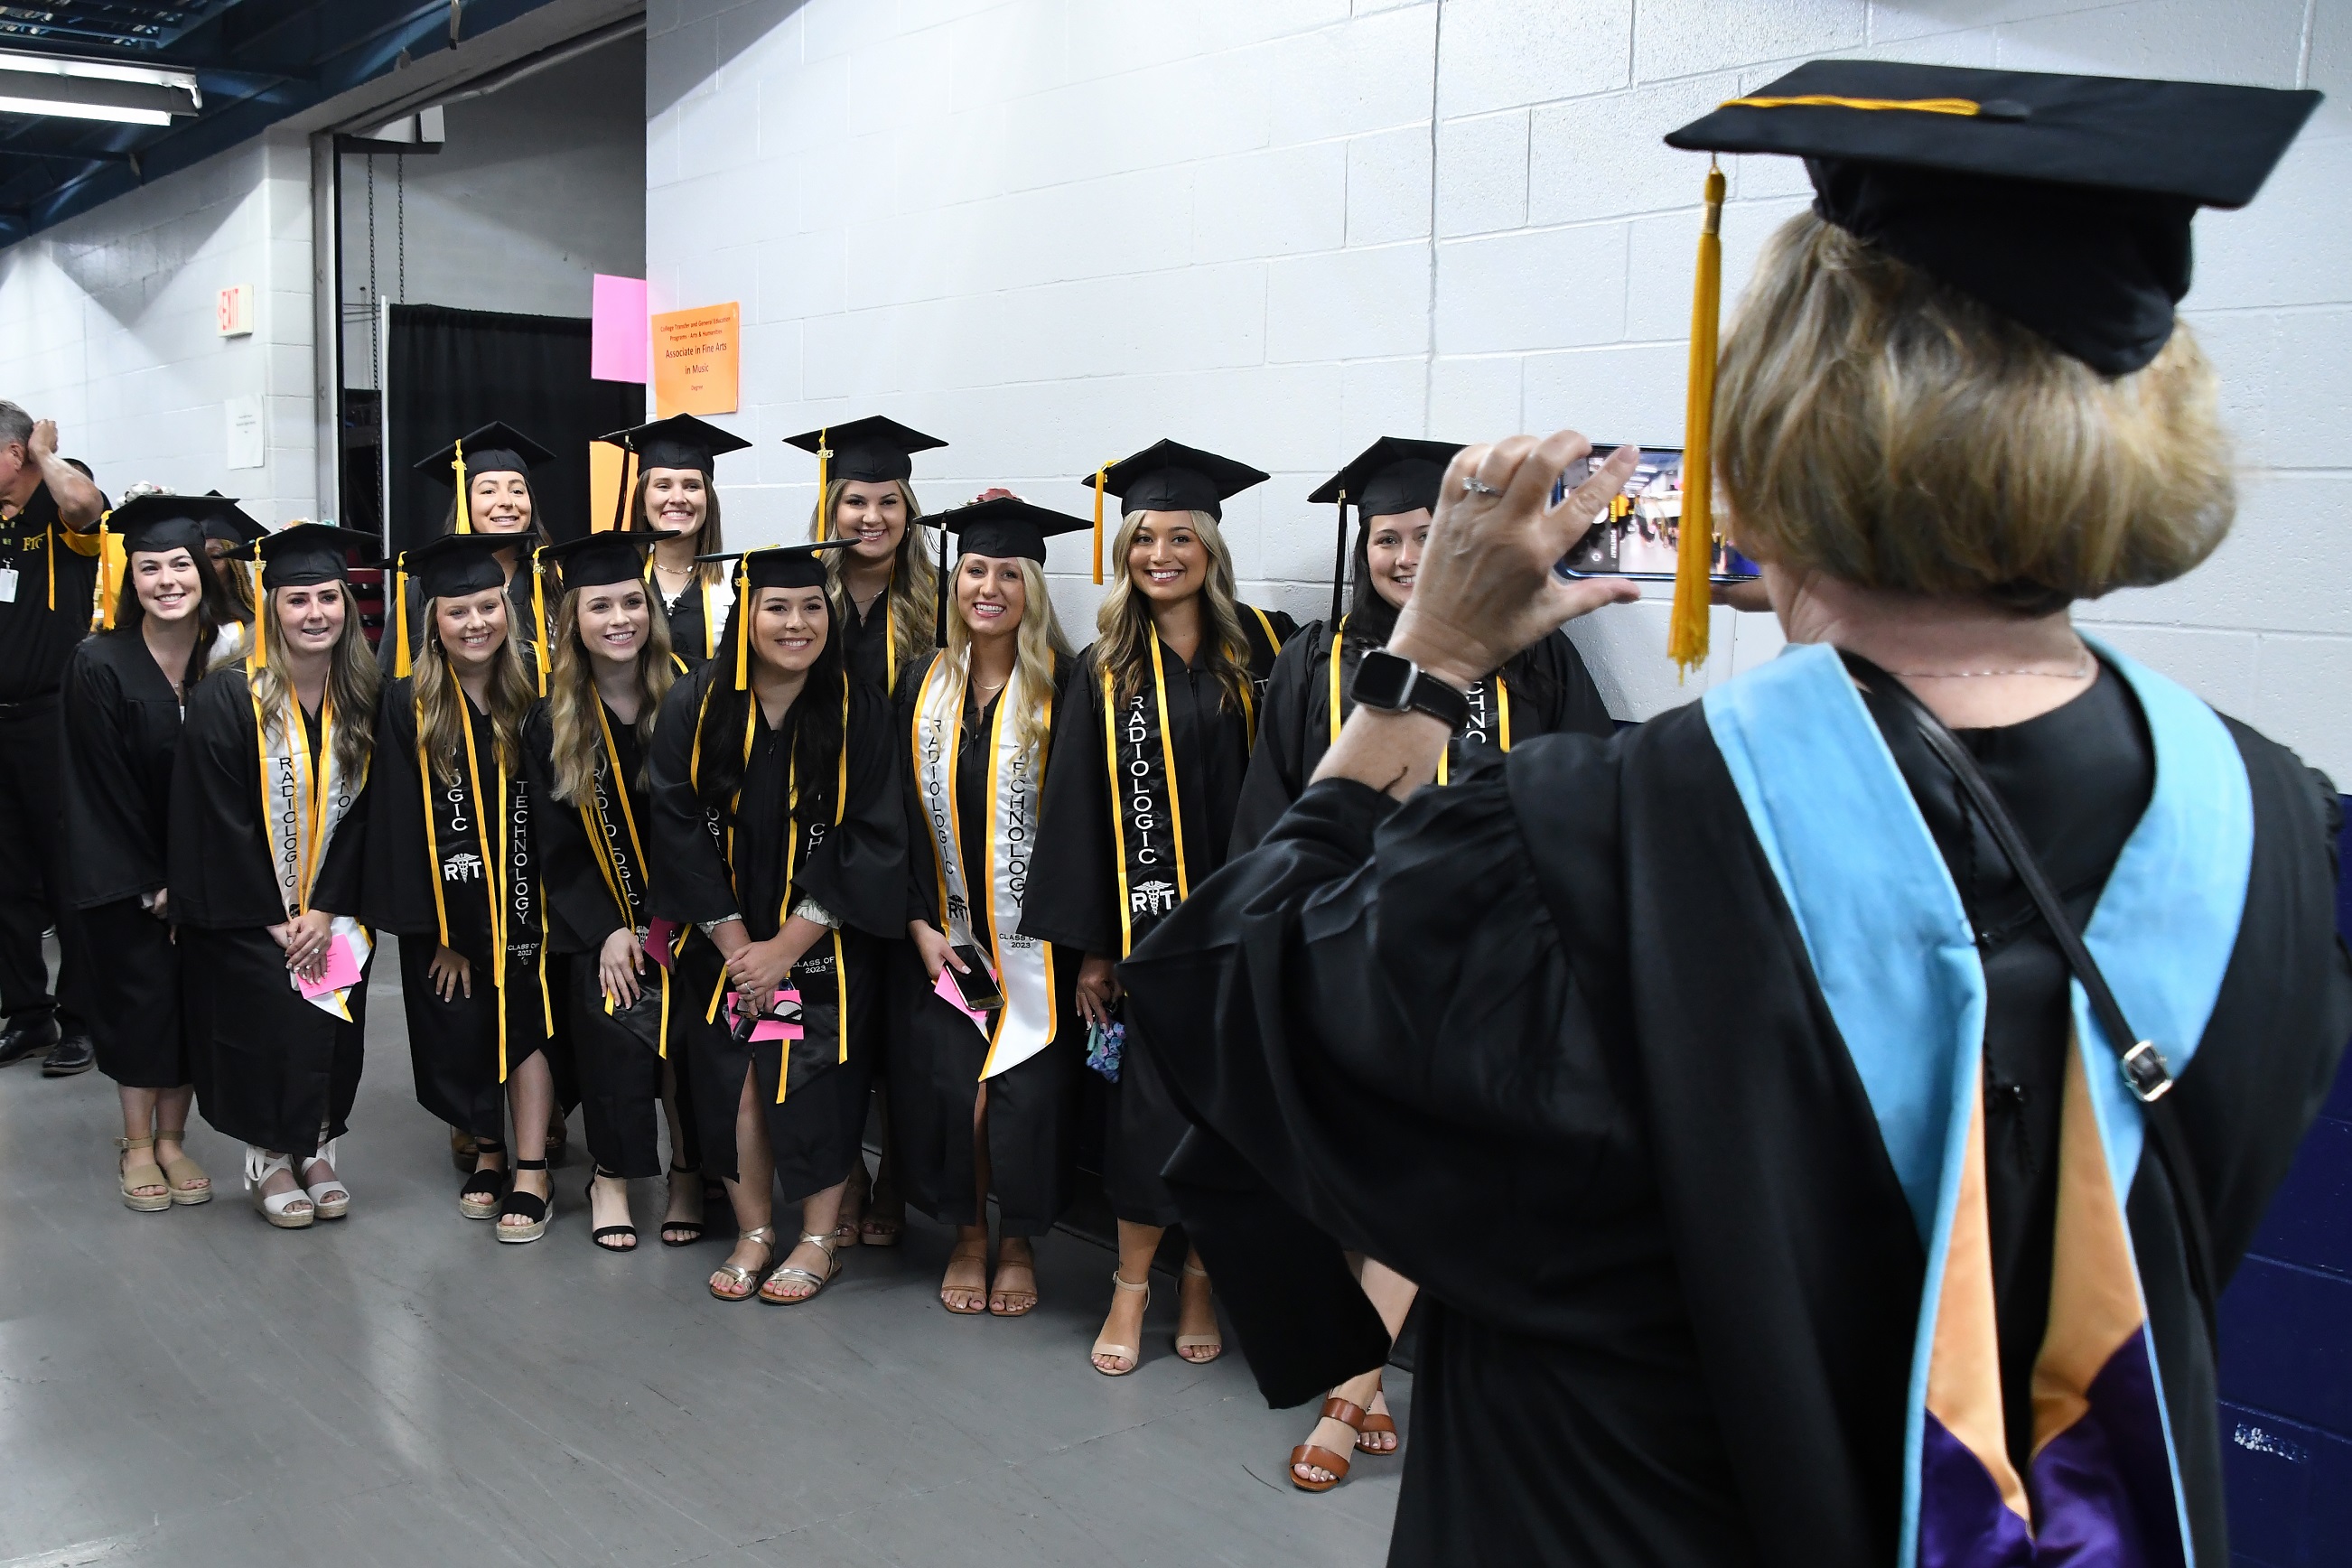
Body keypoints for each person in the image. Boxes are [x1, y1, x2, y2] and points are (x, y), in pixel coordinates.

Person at [1122, 63, 2352, 1566]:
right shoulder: (2281, 834)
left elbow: (1232, 996)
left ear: (1767, 438)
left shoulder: (1583, 847)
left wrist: (1428, 666)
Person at [1237, 438, 1616, 1489]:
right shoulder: (1317, 660)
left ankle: (1349, 1389)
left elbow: (1580, 786)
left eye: (1425, 535)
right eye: (1389, 537)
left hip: (1491, 966)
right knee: (1362, 1173)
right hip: (1352, 952)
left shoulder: (1532, 653)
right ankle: (1358, 1372)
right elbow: (1277, 808)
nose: (1405, 554)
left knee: (1432, 1171)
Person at [1021, 439, 1297, 1375]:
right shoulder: (1101, 666)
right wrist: (1097, 948)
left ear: (1210, 549)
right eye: (1145, 537)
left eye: (1182, 536)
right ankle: (1132, 1286)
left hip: (1249, 929)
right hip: (1152, 933)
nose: (1161, 554)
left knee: (1233, 1120)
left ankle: (1201, 1283)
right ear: (1125, 550)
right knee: (1148, 1117)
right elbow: (1078, 813)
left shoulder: (1267, 643)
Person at [646, 541, 907, 1305]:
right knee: (738, 1085)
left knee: (818, 1082)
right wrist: (739, 949)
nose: (796, 623)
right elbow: (677, 821)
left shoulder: (859, 707)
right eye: (777, 608)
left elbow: (873, 833)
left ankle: (819, 1237)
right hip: (726, 943)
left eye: (811, 607)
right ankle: (756, 1230)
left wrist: (787, 946)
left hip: (822, 940)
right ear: (746, 615)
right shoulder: (696, 703)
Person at [895, 494, 1087, 1315]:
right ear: (955, 579)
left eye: (1011, 572)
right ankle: (968, 1234)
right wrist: (919, 926)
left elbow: (1086, 823)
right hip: (946, 940)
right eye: (976, 568)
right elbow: (892, 817)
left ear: (1033, 587)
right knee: (956, 1092)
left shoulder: (1069, 686)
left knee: (1025, 1097)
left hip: (1037, 947)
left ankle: (1018, 1242)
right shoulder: (921, 683)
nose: (990, 586)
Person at [173, 523, 380, 1228]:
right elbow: (215, 816)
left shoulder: (362, 695)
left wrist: (325, 909)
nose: (315, 612)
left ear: (347, 608)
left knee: (334, 1027)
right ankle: (269, 1155)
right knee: (271, 1025)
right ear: (273, 609)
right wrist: (277, 914)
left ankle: (318, 1146)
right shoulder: (228, 697)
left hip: (334, 911)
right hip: (250, 914)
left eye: (328, 596)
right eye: (298, 599)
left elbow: (365, 817)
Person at [365, 532, 558, 1242]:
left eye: (488, 606)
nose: (476, 623)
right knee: (465, 1028)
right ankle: (488, 1149)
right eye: (458, 611)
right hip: (448, 918)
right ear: (433, 623)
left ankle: (532, 1168)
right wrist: (440, 934)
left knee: (529, 1028)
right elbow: (395, 824)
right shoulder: (406, 706)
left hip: (531, 909)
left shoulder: (536, 694)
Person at [61, 495, 251, 1210]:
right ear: (129, 579)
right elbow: (99, 786)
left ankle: (174, 1140)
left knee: (193, 1006)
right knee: (140, 1006)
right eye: (150, 568)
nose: (168, 579)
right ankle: (137, 1144)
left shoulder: (226, 662)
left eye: (180, 563)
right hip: (126, 875)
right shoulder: (99, 664)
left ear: (202, 571)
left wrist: (203, 878)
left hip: (210, 877)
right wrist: (158, 885)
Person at [524, 528, 707, 1250]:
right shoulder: (554, 720)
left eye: (633, 601)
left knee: (691, 1037)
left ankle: (689, 1170)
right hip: (600, 920)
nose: (620, 618)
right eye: (600, 606)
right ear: (574, 621)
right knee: (611, 1021)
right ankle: (613, 1173)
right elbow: (556, 848)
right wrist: (607, 930)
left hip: (691, 915)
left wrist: (676, 917)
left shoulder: (695, 694)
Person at [789, 415, 947, 1247]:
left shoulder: (934, 601)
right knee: (834, 1023)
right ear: (832, 506)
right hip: (822, 837)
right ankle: (840, 1175)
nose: (872, 517)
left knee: (897, 1025)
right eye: (855, 500)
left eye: (889, 501)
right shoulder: (802, 599)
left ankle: (890, 1182)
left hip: (915, 835)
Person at [0, 404, 105, 1077]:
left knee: (67, 874)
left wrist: (42, 453)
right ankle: (27, 1013)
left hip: (51, 716)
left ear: (14, 453)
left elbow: (86, 504)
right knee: (7, 881)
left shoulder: (59, 498)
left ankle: (82, 1018)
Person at [382, 422, 559, 678]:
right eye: (488, 490)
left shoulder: (555, 583)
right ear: (465, 503)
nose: (506, 502)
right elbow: (390, 678)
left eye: (517, 490)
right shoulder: (422, 591)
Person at [596, 414, 750, 668]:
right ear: (643, 503)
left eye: (691, 486)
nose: (678, 497)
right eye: (663, 486)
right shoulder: (617, 578)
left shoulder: (738, 580)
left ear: (708, 501)